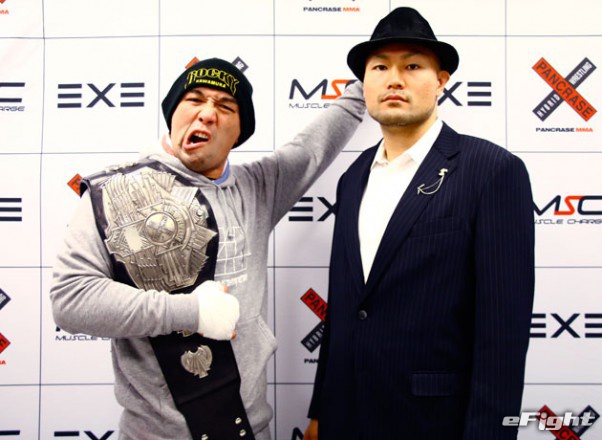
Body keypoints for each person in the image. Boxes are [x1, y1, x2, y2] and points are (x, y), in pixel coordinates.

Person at [50, 57, 365, 440]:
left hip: (251, 429)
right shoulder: (114, 194)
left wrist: (375, 75)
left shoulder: (258, 187)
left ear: (239, 133)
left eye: (225, 106)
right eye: (194, 99)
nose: (207, 113)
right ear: (173, 114)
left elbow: (315, 143)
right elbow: (71, 300)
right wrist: (192, 312)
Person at [304, 7, 535, 440]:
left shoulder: (492, 171)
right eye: (380, 68)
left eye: (412, 66)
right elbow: (345, 308)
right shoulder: (352, 179)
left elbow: (502, 338)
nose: (394, 79)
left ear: (441, 80)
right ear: (364, 83)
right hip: (344, 416)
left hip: (431, 422)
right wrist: (320, 411)